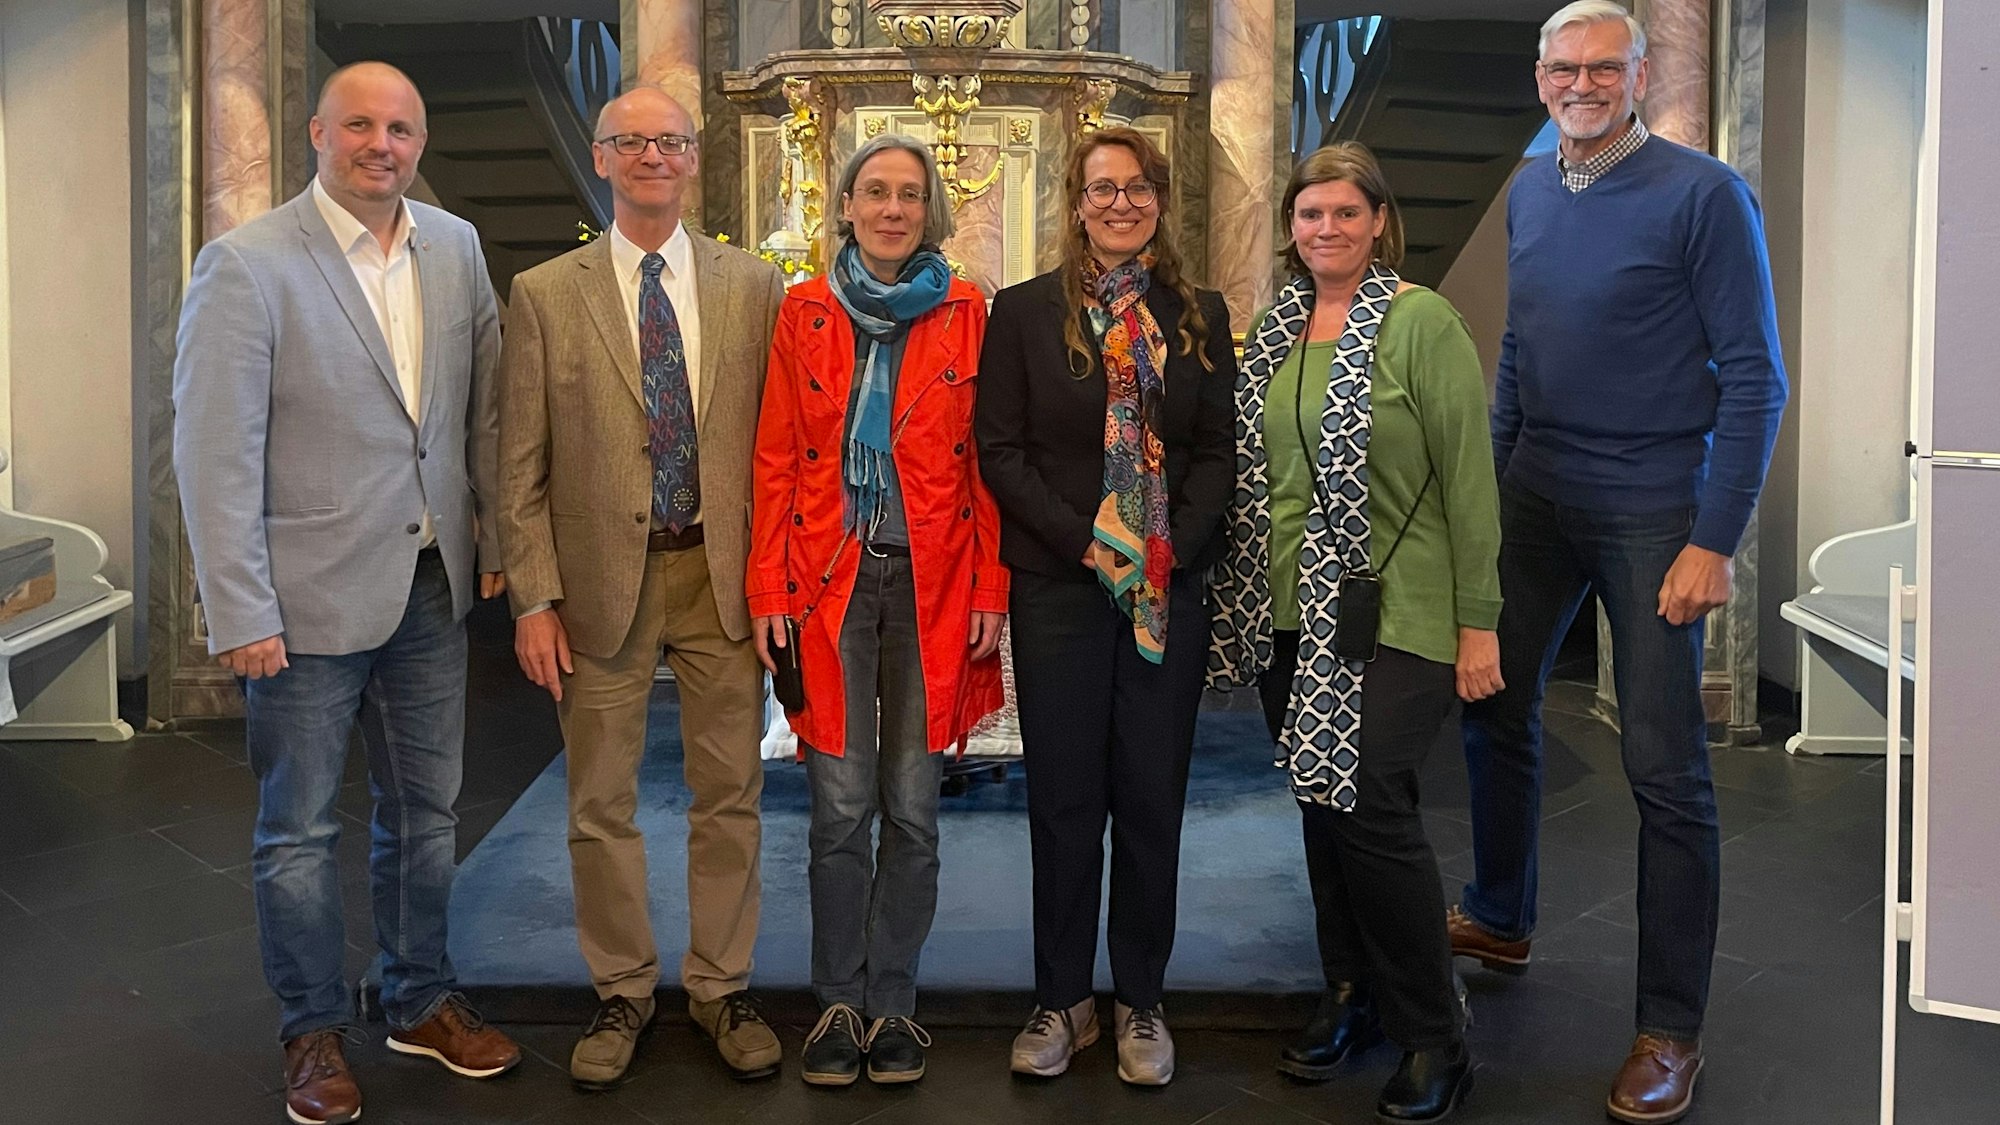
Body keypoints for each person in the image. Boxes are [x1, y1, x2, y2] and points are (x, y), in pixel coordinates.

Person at [1450, 4, 1788, 1122]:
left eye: (1604, 66)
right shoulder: (1536, 178)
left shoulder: (1703, 195)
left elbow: (1753, 379)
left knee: (1661, 769)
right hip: (1536, 495)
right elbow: (1520, 349)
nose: (1581, 83)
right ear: (1537, 75)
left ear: (1639, 74)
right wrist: (1492, 494)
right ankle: (1500, 914)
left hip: (1655, 510)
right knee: (1491, 704)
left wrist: (1712, 539)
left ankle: (1668, 1029)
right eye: (1564, 67)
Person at [173, 60, 521, 1125]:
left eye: (402, 128)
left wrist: (493, 535)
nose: (383, 143)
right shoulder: (246, 263)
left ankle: (417, 1001)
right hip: (303, 598)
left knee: (426, 816)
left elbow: (486, 410)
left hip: (428, 583)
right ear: (317, 133)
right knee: (298, 832)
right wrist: (240, 609)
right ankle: (312, 1031)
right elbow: (211, 452)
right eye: (361, 125)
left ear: (421, 142)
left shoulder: (453, 246)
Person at [496, 86, 787, 1089]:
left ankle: (720, 986)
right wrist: (532, 597)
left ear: (693, 158)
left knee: (730, 796)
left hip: (721, 578)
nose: (652, 156)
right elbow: (517, 463)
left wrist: (777, 583)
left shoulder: (755, 286)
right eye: (633, 143)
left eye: (668, 141)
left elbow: (777, 450)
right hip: (595, 590)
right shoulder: (545, 293)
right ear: (603, 156)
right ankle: (620, 990)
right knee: (599, 803)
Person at [1207, 142, 1501, 1123]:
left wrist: (1477, 625)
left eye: (1343, 213)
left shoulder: (1419, 324)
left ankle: (1433, 1034)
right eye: (1307, 215)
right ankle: (1350, 990)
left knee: (1370, 802)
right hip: (1289, 612)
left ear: (1378, 221)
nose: (1323, 229)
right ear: (1288, 228)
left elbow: (1467, 479)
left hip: (1399, 613)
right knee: (1320, 807)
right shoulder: (1276, 332)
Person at [746, 133, 1009, 1088]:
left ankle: (894, 1001)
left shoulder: (970, 312)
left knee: (914, 806)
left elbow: (986, 466)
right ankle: (836, 1004)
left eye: (909, 194)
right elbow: (775, 459)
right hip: (830, 583)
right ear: (846, 204)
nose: (893, 209)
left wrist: (990, 588)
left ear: (928, 209)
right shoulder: (806, 310)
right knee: (837, 805)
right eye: (875, 192)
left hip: (935, 582)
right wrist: (768, 586)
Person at [976, 126, 1235, 1087]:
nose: (1118, 203)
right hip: (1061, 587)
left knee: (1151, 796)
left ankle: (1142, 1001)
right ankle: (1061, 999)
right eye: (1100, 190)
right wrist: (1087, 538)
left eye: (1135, 188)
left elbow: (1216, 450)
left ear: (1159, 199)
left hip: (1167, 594)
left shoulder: (1197, 312)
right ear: (1076, 204)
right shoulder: (1026, 313)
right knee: (1065, 798)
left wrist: (1172, 547)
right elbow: (999, 450)